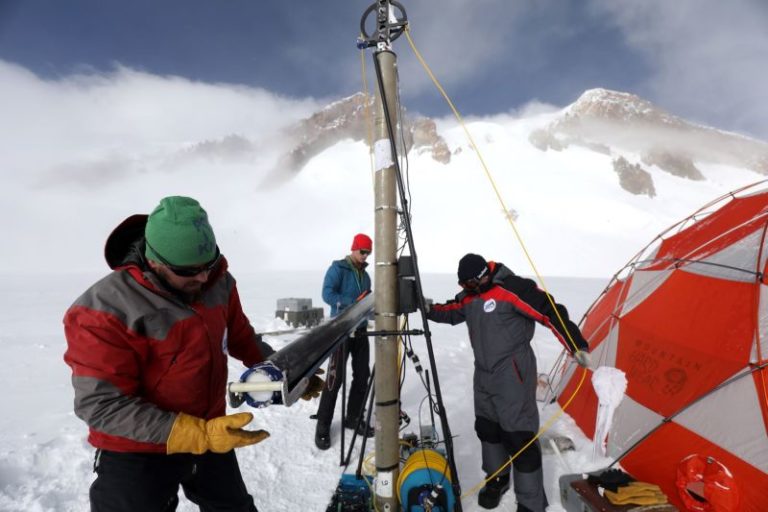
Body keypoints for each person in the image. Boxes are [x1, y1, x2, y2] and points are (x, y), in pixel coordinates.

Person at [63, 196, 323, 512]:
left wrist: (283, 371)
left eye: (208, 265)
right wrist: (195, 433)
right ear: (154, 261)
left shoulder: (217, 282)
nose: (202, 278)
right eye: (188, 271)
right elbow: (101, 405)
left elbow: (240, 335)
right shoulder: (103, 311)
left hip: (210, 430)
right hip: (138, 447)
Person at [425, 253, 591, 511]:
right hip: (483, 374)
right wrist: (429, 310)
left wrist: (575, 344)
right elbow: (453, 310)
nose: (466, 290)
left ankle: (530, 502)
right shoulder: (471, 296)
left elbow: (550, 311)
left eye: (469, 285)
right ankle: (498, 479)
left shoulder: (513, 289)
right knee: (488, 429)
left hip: (513, 373)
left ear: (482, 276)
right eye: (463, 287)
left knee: (519, 436)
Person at [314, 233, 374, 450]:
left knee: (362, 376)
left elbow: (366, 301)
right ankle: (323, 424)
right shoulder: (338, 269)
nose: (365, 256)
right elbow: (327, 294)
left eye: (368, 252)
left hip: (360, 331)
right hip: (340, 331)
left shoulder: (366, 277)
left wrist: (370, 310)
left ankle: (353, 418)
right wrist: (352, 303)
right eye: (362, 251)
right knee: (334, 378)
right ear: (354, 248)